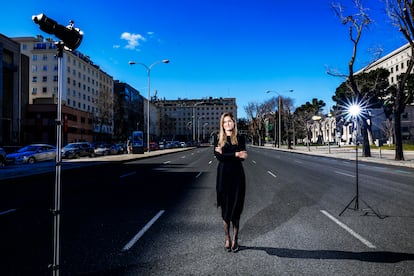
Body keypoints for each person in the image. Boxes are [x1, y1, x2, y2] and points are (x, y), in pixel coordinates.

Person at [214, 112, 247, 253]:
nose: (228, 124)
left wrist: (226, 154)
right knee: (226, 210)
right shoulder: (218, 138)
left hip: (237, 177)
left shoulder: (240, 138)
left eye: (230, 121)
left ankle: (235, 239)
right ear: (222, 124)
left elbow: (243, 157)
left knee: (236, 210)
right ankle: (227, 238)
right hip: (223, 177)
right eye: (225, 121)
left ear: (234, 122)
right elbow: (218, 157)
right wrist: (235, 154)